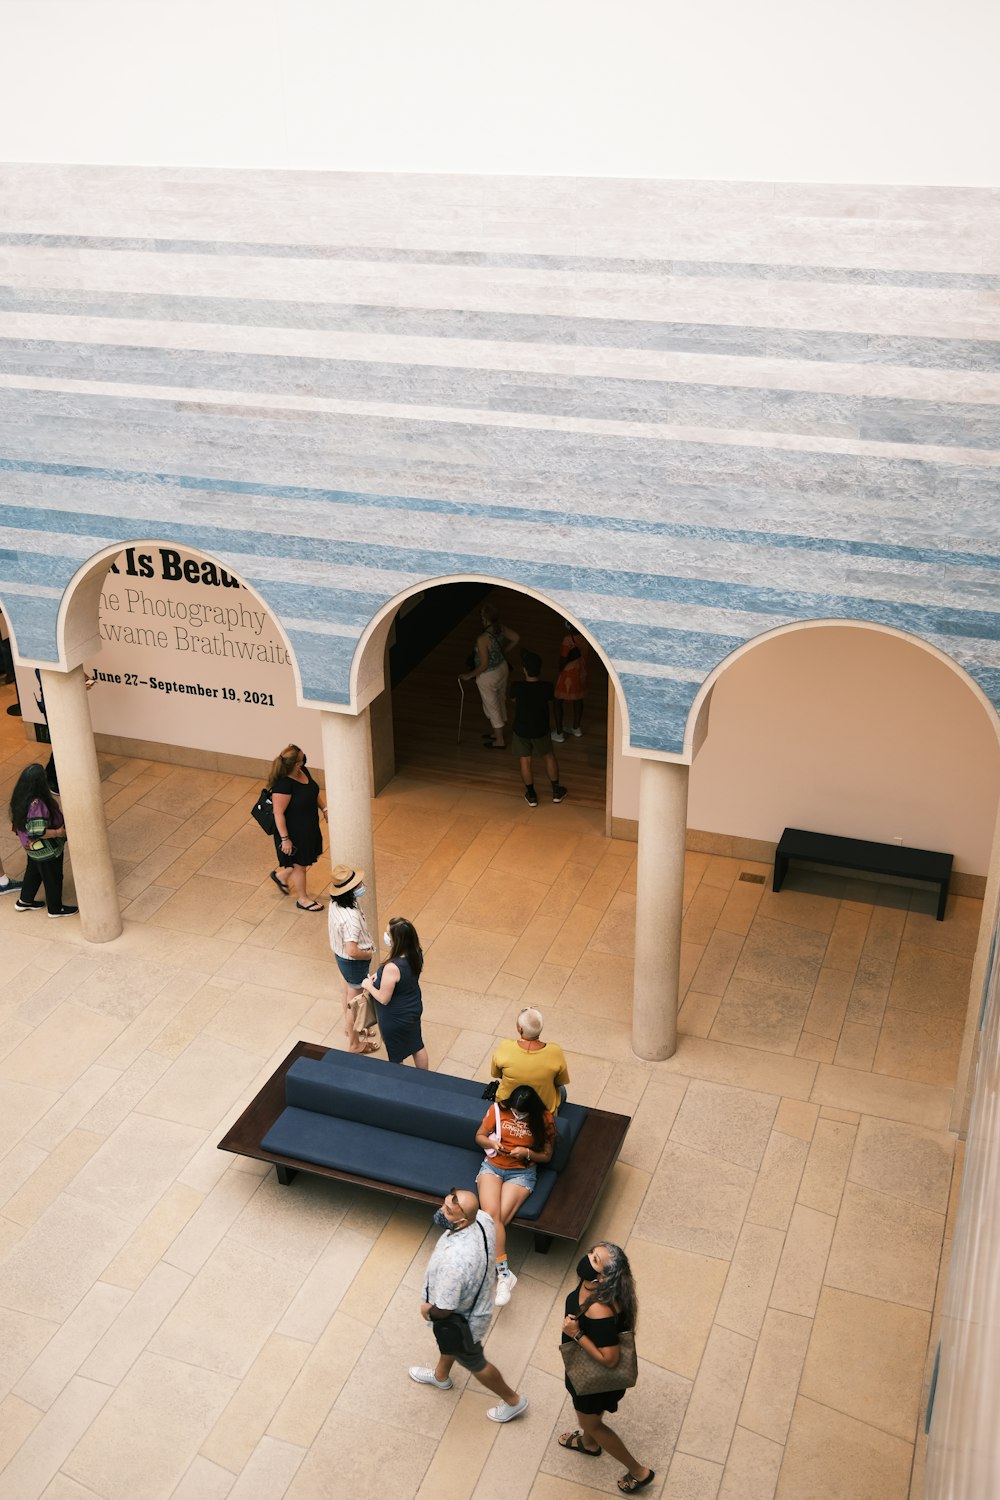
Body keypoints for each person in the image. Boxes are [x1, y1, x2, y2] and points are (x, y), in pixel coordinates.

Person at [409, 1187, 529, 1424]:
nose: (441, 1210)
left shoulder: (455, 1262)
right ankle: (440, 1376)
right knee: (449, 1344)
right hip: (477, 1299)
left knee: (474, 1361)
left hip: (463, 1322)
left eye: (448, 1210)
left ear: (462, 1221)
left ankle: (514, 1401)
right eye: (444, 1204)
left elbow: (444, 1308)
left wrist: (427, 1312)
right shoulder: (482, 1219)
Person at [558, 1242, 654, 1493]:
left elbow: (610, 1359)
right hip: (586, 1373)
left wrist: (576, 1334)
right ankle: (589, 1445)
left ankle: (639, 1472)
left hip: (593, 1381)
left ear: (602, 1278)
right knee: (590, 1417)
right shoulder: (591, 1285)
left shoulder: (600, 1309)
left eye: (595, 1259)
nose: (588, 1258)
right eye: (592, 1253)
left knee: (591, 1422)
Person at [475, 1084, 554, 1305]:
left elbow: (547, 1156)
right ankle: (504, 1275)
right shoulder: (498, 1110)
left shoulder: (544, 1119)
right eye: (515, 1111)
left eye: (522, 1113)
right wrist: (491, 1142)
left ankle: (488, 1268)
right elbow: (479, 1136)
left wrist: (527, 1152)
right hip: (492, 1167)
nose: (517, 1115)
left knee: (494, 1220)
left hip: (521, 1173)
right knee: (492, 1216)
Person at [9, 762, 78, 917]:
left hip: (32, 849)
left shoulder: (20, 796)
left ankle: (24, 901)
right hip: (47, 850)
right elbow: (38, 831)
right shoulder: (37, 803)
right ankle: (55, 909)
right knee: (53, 877)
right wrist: (59, 833)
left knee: (33, 871)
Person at [327, 864, 380, 1055]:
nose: (362, 886)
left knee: (348, 993)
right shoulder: (351, 918)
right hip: (353, 961)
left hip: (340, 956)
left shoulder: (335, 904)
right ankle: (355, 1043)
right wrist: (368, 954)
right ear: (349, 891)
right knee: (355, 1002)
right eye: (358, 885)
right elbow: (353, 950)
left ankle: (351, 1028)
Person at [361, 916, 428, 1067]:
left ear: (397, 940)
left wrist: (368, 985)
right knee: (417, 1044)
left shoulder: (393, 967)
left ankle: (401, 1082)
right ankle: (424, 1078)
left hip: (396, 1016)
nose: (386, 936)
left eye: (388, 934)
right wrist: (380, 976)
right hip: (413, 1007)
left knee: (396, 1053)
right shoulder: (416, 953)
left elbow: (384, 998)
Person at [268, 744, 327, 911]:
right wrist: (285, 839)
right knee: (300, 865)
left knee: (304, 859)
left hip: (308, 827)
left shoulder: (303, 772)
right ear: (296, 763)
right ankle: (303, 899)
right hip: (292, 832)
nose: (305, 758)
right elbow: (278, 813)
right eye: (302, 757)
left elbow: (312, 792)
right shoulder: (283, 786)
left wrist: (324, 808)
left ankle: (281, 876)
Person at [510, 649, 567, 807]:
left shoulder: (517, 687)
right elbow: (551, 701)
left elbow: (513, 700)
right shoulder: (547, 687)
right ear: (539, 669)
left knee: (525, 760)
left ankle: (532, 794)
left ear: (524, 669)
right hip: (540, 729)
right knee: (548, 756)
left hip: (521, 729)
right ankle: (556, 791)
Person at [460, 603, 519, 749]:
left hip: (489, 676)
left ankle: (499, 741)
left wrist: (469, 675)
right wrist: (503, 651)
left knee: (492, 707)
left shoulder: (482, 639)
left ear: (484, 618)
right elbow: (516, 638)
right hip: (502, 668)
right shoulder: (501, 628)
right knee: (500, 700)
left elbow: (484, 664)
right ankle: (497, 732)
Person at [491, 1007, 570, 1114]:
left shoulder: (505, 1047)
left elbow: (496, 1074)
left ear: (520, 1029)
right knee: (562, 1091)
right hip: (542, 1111)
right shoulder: (555, 1052)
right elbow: (560, 1081)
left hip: (508, 1106)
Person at [551, 620, 590, 742]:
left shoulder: (568, 639)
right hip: (582, 672)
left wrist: (559, 668)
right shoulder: (586, 636)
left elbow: (563, 660)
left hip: (568, 674)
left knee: (557, 701)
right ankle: (576, 728)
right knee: (578, 699)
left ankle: (559, 733)